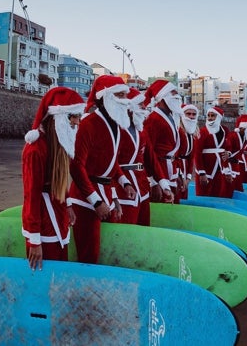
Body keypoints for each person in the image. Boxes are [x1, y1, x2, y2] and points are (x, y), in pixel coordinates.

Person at [68, 75, 137, 263]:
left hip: (106, 193)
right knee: (89, 255)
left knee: (107, 251)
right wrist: (96, 202)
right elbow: (76, 166)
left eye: (125, 95)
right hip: (85, 199)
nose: (125, 100)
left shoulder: (116, 124)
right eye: (120, 95)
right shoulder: (88, 124)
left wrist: (124, 183)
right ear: (106, 97)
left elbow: (110, 161)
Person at [22, 87, 85, 270]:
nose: (78, 122)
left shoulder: (58, 143)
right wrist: (34, 240)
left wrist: (67, 205)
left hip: (57, 214)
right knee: (45, 276)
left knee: (60, 269)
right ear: (60, 117)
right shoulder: (35, 149)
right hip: (42, 222)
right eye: (75, 117)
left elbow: (59, 178)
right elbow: (31, 195)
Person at [111, 87, 172, 225]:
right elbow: (110, 160)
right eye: (140, 104)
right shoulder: (117, 128)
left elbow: (151, 159)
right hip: (123, 187)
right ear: (130, 105)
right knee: (127, 224)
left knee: (144, 223)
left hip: (142, 185)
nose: (144, 107)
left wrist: (163, 184)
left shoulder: (141, 130)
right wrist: (120, 185)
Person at [142, 79, 184, 203]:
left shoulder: (170, 117)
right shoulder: (153, 119)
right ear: (163, 96)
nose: (177, 96)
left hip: (170, 170)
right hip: (159, 170)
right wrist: (153, 181)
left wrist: (178, 174)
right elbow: (147, 153)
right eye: (173, 92)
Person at [193, 106, 233, 197]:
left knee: (219, 192)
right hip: (207, 169)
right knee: (204, 193)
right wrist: (201, 172)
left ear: (219, 117)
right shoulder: (202, 131)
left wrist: (229, 153)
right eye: (209, 116)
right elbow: (197, 153)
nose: (210, 118)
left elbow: (228, 146)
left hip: (220, 167)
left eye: (213, 116)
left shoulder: (225, 130)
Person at [225, 114, 247, 195]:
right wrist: (227, 170)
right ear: (243, 127)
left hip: (236, 166)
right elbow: (227, 150)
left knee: (238, 189)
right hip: (230, 167)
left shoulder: (245, 136)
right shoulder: (233, 135)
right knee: (230, 189)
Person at [176, 104, 199, 200]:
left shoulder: (192, 133)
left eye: (194, 114)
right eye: (188, 114)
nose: (191, 117)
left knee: (184, 195)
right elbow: (175, 154)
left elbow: (191, 156)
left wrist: (189, 177)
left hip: (185, 170)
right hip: (177, 169)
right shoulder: (178, 131)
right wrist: (180, 175)